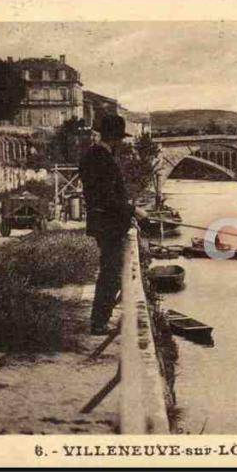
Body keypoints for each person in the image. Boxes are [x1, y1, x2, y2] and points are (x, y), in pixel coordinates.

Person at [79, 115, 147, 335]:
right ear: (115, 138)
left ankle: (100, 319)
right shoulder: (103, 160)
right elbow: (108, 198)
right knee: (111, 273)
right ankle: (99, 322)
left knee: (110, 271)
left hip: (103, 222)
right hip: (109, 225)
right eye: (120, 138)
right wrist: (133, 210)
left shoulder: (92, 156)